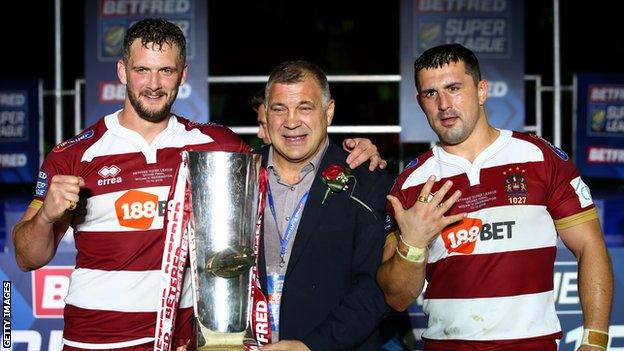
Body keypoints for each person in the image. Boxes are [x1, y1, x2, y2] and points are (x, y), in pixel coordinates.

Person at [12, 19, 388, 351]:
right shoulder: (75, 155)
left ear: (183, 74)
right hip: (93, 341)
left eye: (166, 71)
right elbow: (27, 257)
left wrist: (353, 152)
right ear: (123, 72)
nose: (154, 85)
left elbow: (290, 149)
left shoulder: (217, 145)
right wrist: (46, 216)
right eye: (143, 70)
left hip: (182, 341)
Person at [377, 43, 613, 351]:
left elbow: (590, 245)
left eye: (454, 88)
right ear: (419, 101)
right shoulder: (410, 185)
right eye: (431, 94)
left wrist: (594, 341)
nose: (444, 104)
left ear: (482, 90)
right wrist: (413, 244)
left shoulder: (540, 158)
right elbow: (397, 298)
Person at [257, 60, 393, 350]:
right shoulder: (238, 175)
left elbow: (376, 289)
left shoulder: (367, 182)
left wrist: (311, 347)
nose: (291, 121)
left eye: (305, 107)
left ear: (328, 111)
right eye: (279, 109)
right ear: (266, 115)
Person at [250, 88, 388, 171]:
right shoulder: (248, 167)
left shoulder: (343, 164)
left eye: (265, 125)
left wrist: (362, 157)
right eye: (279, 111)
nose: (260, 133)